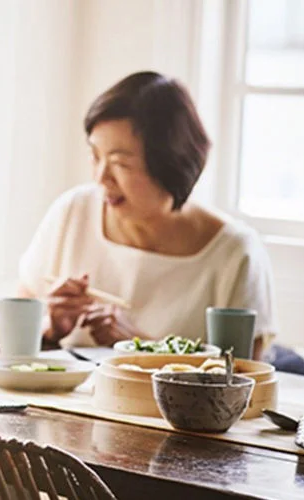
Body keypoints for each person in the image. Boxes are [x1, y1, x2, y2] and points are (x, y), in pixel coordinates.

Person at [17, 71, 281, 360]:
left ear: (171, 166)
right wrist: (52, 329)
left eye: (120, 164)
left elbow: (244, 381)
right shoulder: (73, 211)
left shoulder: (235, 253)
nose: (101, 177)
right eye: (95, 156)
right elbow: (15, 334)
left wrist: (141, 347)